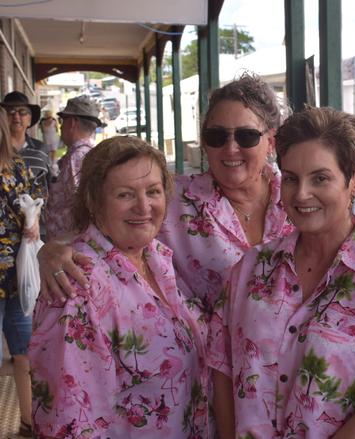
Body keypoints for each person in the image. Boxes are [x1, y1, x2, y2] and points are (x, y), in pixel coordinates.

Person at [209, 107, 355, 438]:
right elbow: (222, 367)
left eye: (320, 178)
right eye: (291, 179)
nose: (302, 194)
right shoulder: (252, 268)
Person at [38, 74, 293, 311]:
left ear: (271, 142)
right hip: (208, 356)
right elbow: (96, 232)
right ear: (204, 142)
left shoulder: (298, 197)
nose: (230, 148)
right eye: (216, 136)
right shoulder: (171, 198)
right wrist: (50, 251)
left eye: (246, 136)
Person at [29, 136, 211, 437]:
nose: (144, 206)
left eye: (153, 191)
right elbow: (68, 421)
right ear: (94, 202)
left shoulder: (156, 258)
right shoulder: (78, 286)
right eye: (125, 195)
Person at [0, 107, 41, 438]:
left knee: (25, 352)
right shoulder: (19, 170)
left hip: (15, 278)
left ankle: (28, 421)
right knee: (24, 353)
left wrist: (34, 220)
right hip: (15, 276)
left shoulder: (17, 171)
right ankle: (28, 422)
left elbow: (35, 209)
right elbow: (34, 207)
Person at [44, 95, 103, 239]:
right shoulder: (83, 154)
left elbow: (85, 207)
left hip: (71, 246)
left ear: (72, 123)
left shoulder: (79, 156)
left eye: (62, 121)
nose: (61, 126)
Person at [1, 91, 51, 240]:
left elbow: (44, 189)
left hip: (33, 229)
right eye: (11, 112)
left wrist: (34, 218)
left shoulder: (41, 150)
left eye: (22, 112)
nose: (16, 116)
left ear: (30, 120)